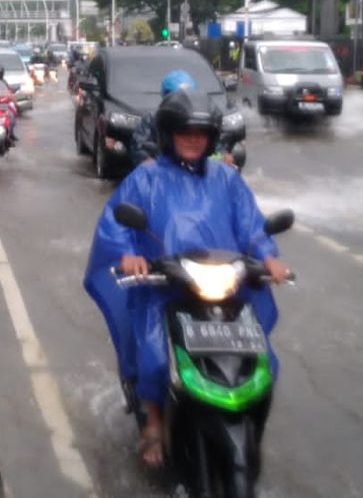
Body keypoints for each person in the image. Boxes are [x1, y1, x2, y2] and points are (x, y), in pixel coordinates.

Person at [84, 89, 292, 468]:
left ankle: (247, 422)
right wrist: (127, 255)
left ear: (212, 138)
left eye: (201, 133)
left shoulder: (227, 180)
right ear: (168, 135)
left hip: (225, 286)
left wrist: (269, 259)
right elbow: (117, 223)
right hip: (166, 288)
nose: (194, 139)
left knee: (264, 360)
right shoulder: (144, 179)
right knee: (155, 354)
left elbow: (251, 226)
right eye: (185, 132)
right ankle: (154, 421)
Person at [129, 70, 234, 167]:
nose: (192, 140)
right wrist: (146, 161)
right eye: (183, 133)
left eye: (198, 133)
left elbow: (217, 144)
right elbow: (139, 146)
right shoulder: (152, 120)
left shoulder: (203, 119)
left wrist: (223, 155)